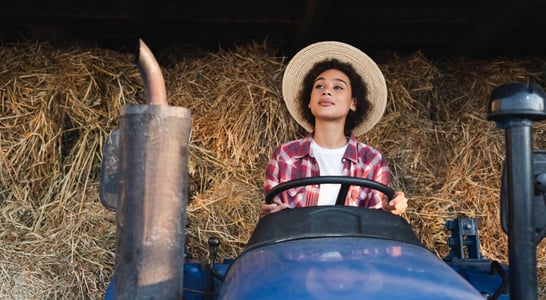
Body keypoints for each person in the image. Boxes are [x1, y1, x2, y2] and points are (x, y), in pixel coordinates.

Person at [260, 41, 407, 217]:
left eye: (338, 87)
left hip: (354, 245)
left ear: (353, 102)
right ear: (308, 101)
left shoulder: (371, 160)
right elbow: (273, 223)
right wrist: (270, 214)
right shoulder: (285, 156)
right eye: (319, 86)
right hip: (299, 244)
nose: (326, 91)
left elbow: (375, 225)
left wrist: (391, 207)